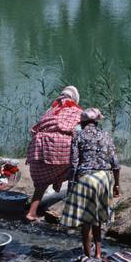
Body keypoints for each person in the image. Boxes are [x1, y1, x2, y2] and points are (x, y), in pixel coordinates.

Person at [60, 109, 121, 261]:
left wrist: (71, 185)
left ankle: (88, 256)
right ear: (96, 122)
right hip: (103, 178)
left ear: (82, 122)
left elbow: (74, 164)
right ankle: (98, 254)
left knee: (86, 222)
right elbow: (115, 164)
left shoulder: (78, 136)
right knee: (98, 220)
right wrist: (116, 185)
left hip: (85, 178)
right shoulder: (106, 135)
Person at [25, 86, 84, 222]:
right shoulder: (77, 111)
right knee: (78, 168)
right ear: (75, 98)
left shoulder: (51, 110)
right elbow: (81, 133)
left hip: (39, 148)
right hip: (62, 149)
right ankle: (73, 208)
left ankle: (31, 213)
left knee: (41, 185)